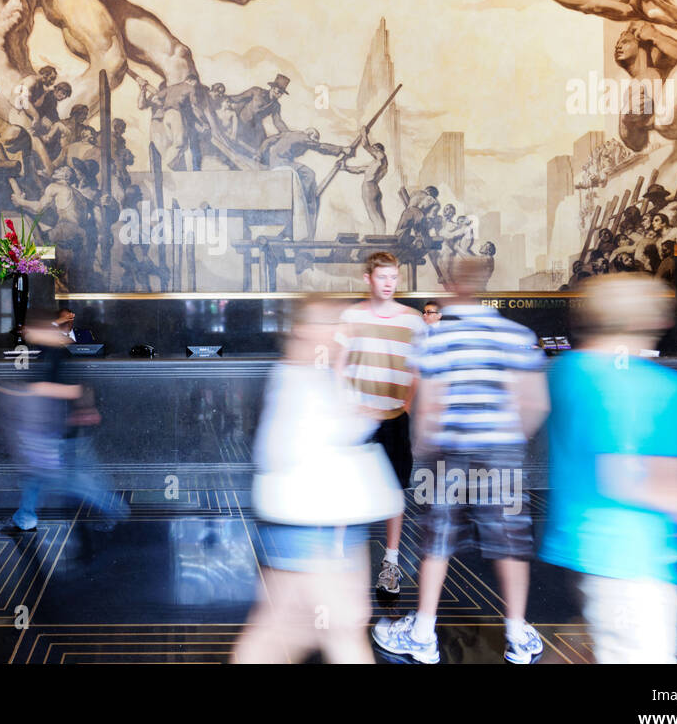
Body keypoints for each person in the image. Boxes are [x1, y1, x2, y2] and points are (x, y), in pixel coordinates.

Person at [541, 275, 677, 663]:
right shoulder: (664, 389)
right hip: (634, 566)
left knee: (591, 640)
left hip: (580, 551)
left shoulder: (566, 372)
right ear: (659, 322)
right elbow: (630, 481)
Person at [373, 257, 549, 664]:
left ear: (449, 285)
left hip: (446, 453)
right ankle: (518, 635)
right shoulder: (516, 334)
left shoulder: (434, 338)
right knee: (509, 543)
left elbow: (427, 405)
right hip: (500, 452)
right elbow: (535, 403)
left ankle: (421, 633)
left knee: (436, 541)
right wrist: (507, 440)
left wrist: (422, 451)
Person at [233, 296, 401, 663]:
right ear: (306, 330)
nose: (343, 332)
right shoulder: (307, 379)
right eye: (334, 324)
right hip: (314, 528)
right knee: (335, 631)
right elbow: (346, 425)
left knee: (286, 630)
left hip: (306, 526)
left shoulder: (302, 374)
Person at [334, 251, 426, 595]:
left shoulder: (414, 321)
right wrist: (348, 403)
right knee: (346, 489)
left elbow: (417, 370)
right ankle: (337, 557)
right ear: (368, 279)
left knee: (393, 494)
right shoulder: (352, 316)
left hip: (393, 420)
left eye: (393, 278)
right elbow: (338, 365)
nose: (389, 284)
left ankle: (391, 563)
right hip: (358, 421)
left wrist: (407, 405)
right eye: (382, 277)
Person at [1, 310, 129, 532]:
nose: (29, 333)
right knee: (35, 475)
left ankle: (112, 506)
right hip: (46, 426)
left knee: (66, 479)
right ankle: (24, 517)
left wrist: (32, 390)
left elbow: (72, 390)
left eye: (33, 330)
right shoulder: (48, 352)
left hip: (55, 427)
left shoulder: (57, 354)